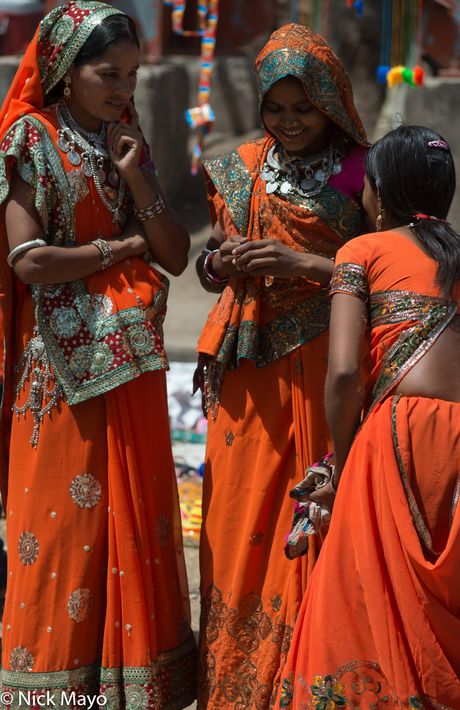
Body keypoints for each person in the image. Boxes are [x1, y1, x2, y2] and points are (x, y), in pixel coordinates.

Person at [0, 3, 197, 707]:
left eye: (133, 75)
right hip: (59, 373)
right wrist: (119, 251)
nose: (122, 88)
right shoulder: (31, 138)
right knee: (61, 530)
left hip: (130, 371)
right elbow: (29, 260)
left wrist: (138, 176)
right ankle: (52, 692)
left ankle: (128, 690)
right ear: (64, 69)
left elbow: (175, 255)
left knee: (133, 520)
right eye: (106, 73)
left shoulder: (126, 137)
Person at [194, 23, 368, 708]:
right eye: (277, 108)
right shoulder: (237, 165)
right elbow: (207, 262)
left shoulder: (362, 170)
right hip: (248, 372)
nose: (290, 123)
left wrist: (306, 264)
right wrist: (222, 262)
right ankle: (239, 683)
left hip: (331, 360)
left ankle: (310, 677)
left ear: (331, 101)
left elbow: (390, 269)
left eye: (305, 108)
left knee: (317, 511)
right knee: (240, 518)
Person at [279, 125, 460, 708]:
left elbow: (342, 373)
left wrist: (344, 456)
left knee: (364, 600)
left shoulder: (360, 251)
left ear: (380, 194)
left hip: (398, 437)